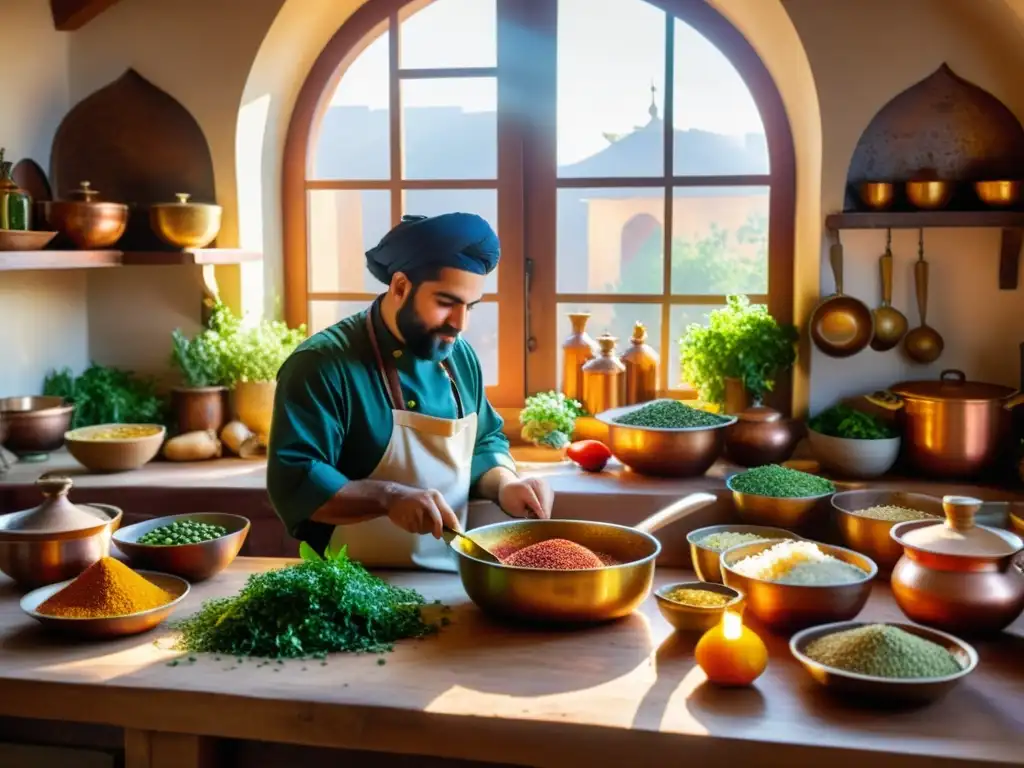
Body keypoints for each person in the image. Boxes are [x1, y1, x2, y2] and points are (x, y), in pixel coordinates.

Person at [266, 212, 554, 570]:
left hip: (452, 578)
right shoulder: (321, 365)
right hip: (353, 587)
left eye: (470, 307)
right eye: (446, 302)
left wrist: (504, 484)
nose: (459, 323)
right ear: (401, 286)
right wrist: (389, 497)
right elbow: (296, 479)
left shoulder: (459, 356)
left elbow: (485, 440)